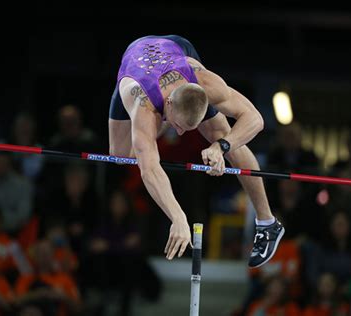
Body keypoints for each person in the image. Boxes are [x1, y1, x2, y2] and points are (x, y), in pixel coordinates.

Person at [109, 35, 283, 267]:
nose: (180, 134)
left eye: (186, 127)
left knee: (220, 132)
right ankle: (158, 128)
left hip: (176, 50)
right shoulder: (142, 103)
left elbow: (255, 119)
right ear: (168, 105)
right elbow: (150, 169)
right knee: (122, 156)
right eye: (177, 125)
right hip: (136, 68)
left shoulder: (204, 81)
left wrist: (222, 146)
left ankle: (267, 222)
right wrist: (178, 217)